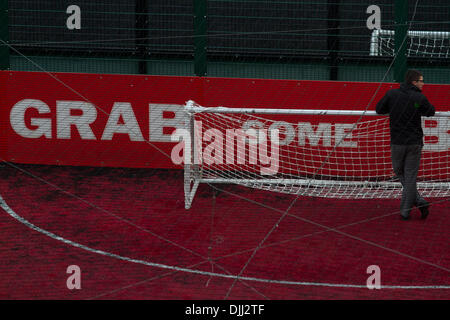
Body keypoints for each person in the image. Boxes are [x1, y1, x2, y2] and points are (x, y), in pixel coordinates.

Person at [375, 69, 435, 220]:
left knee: (401, 173)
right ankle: (418, 202)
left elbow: (379, 109)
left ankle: (405, 211)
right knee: (409, 177)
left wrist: (395, 108)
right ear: (414, 82)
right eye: (421, 80)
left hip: (397, 142)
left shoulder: (392, 94)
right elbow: (431, 111)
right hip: (414, 142)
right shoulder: (418, 97)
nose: (423, 83)